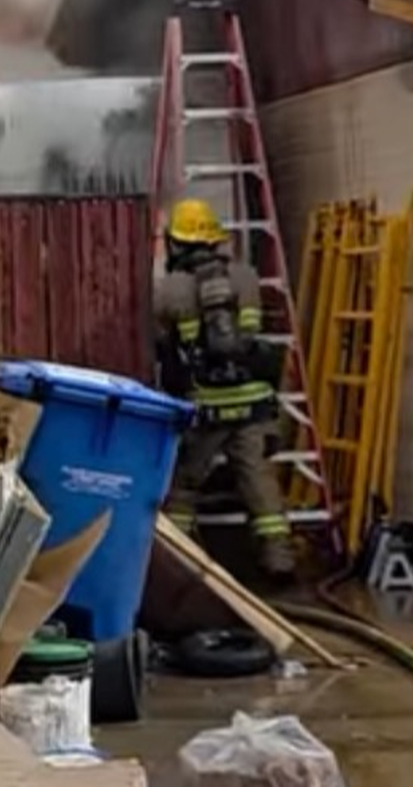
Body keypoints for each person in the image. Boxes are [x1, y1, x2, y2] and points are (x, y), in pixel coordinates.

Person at [154, 198, 296, 580]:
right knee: (260, 485)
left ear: (177, 243)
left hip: (205, 406)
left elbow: (163, 344)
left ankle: (178, 563)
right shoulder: (247, 278)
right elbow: (253, 336)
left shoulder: (171, 289)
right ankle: (279, 561)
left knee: (184, 486)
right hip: (253, 403)